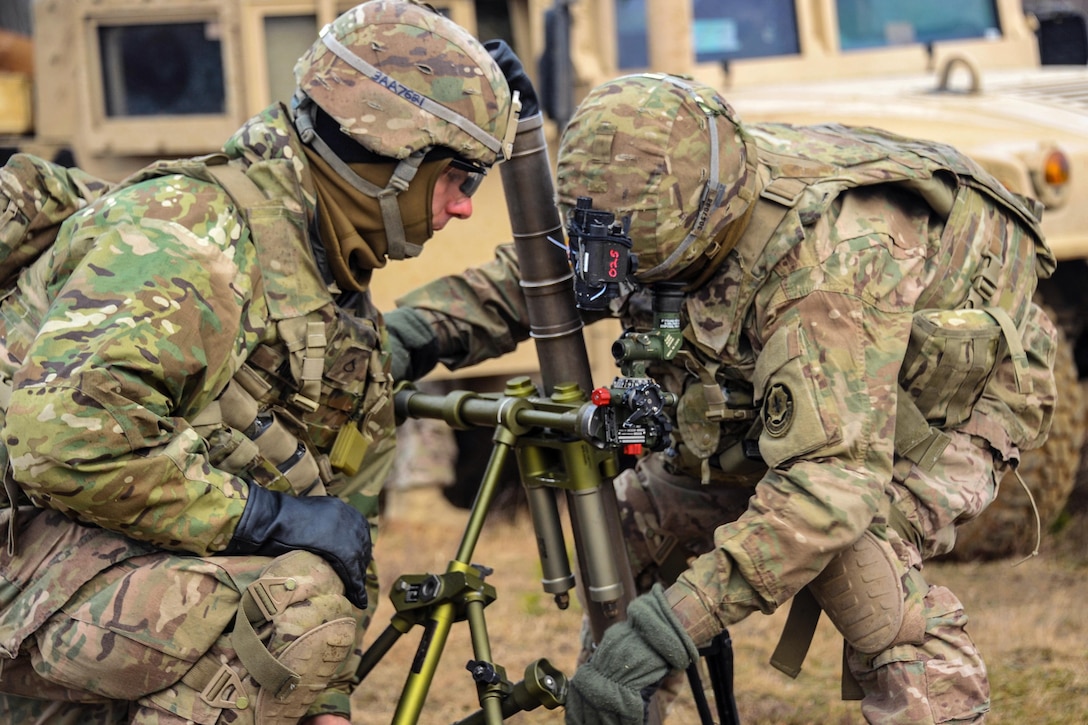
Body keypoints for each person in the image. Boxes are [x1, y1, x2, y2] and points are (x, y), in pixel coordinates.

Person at [383, 72, 1058, 723]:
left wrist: (670, 628)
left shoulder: (832, 260)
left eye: (651, 266)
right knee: (635, 533)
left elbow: (829, 491)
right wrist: (414, 332)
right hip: (791, 399)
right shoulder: (640, 203)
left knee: (865, 576)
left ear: (708, 224)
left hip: (941, 403)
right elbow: (544, 277)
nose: (627, 277)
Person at [0, 1, 519, 722]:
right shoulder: (194, 238)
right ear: (391, 163)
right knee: (294, 613)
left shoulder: (322, 278)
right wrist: (262, 518)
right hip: (24, 556)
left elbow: (338, 530)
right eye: (458, 178)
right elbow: (63, 443)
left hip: (70, 558)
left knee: (299, 607)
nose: (463, 209)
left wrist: (322, 701)